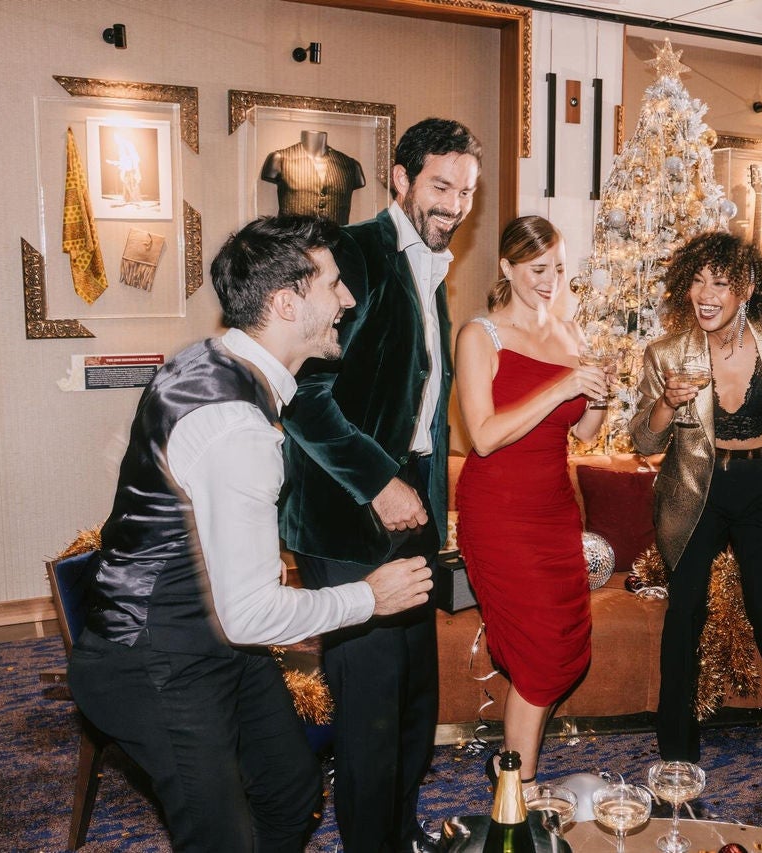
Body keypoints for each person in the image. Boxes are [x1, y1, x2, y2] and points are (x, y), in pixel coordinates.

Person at [67, 216, 435, 853]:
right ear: (287, 302)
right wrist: (370, 597)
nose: (348, 299)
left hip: (213, 643)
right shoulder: (239, 427)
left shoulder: (209, 360)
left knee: (290, 791)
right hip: (155, 660)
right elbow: (252, 614)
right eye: (334, 285)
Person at [279, 118, 482, 853]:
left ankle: (399, 832)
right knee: (368, 708)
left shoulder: (431, 261)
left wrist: (428, 501)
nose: (455, 204)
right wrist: (377, 483)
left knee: (412, 700)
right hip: (345, 517)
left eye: (465, 191)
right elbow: (302, 392)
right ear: (399, 178)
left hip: (413, 512)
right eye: (440, 186)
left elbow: (418, 403)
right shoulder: (354, 256)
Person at [632, 230, 762, 766]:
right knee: (684, 613)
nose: (705, 294)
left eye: (720, 282)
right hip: (696, 491)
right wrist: (667, 403)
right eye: (696, 281)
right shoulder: (667, 353)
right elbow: (644, 440)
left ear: (747, 288)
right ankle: (677, 751)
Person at [454, 215, 608, 783]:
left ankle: (510, 766)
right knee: (541, 651)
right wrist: (563, 385)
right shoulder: (480, 335)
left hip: (554, 511)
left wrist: (599, 390)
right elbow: (485, 435)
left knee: (563, 645)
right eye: (538, 269)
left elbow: (587, 434)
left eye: (559, 269)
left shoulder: (570, 334)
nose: (551, 281)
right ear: (507, 267)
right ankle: (518, 783)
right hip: (499, 513)